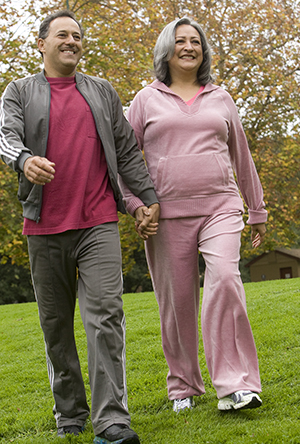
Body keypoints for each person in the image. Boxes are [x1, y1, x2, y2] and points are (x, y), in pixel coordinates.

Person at [0, 10, 160, 444]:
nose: (72, 41)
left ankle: (111, 421)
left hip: (98, 223)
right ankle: (69, 410)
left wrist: (147, 199)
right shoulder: (19, 91)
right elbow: (6, 135)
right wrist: (24, 160)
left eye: (77, 36)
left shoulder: (102, 92)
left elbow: (126, 150)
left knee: (106, 316)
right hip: (44, 225)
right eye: (62, 35)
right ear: (41, 43)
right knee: (55, 324)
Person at [119, 17, 267, 413]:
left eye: (196, 42)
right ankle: (183, 385)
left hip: (220, 206)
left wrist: (257, 209)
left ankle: (236, 385)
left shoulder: (221, 97)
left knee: (225, 280)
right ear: (165, 50)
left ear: (203, 51)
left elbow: (242, 155)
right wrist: (135, 206)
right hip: (166, 216)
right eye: (180, 41)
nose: (189, 47)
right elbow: (125, 162)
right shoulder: (145, 100)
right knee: (177, 302)